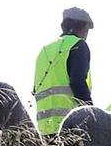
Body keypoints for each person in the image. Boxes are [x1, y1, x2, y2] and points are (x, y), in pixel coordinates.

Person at [32, 7, 94, 137]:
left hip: (45, 128)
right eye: (87, 29)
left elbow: (35, 89)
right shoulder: (78, 45)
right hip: (70, 125)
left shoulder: (44, 50)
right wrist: (92, 113)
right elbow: (77, 83)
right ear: (82, 27)